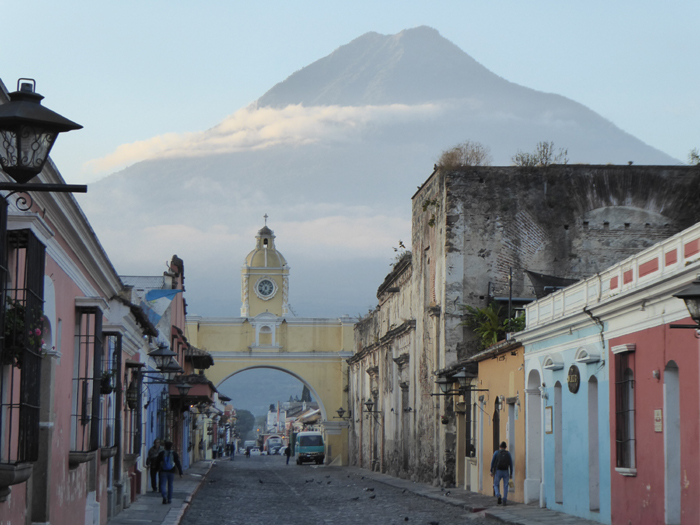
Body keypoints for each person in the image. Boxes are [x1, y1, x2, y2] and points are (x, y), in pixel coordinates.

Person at [490, 441, 513, 506]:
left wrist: (491, 470)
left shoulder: (496, 453)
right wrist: (511, 473)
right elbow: (511, 464)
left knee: (496, 484)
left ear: (500, 447)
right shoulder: (508, 454)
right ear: (506, 447)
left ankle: (498, 495)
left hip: (498, 471)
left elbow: (492, 462)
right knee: (505, 486)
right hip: (506, 471)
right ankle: (504, 500)